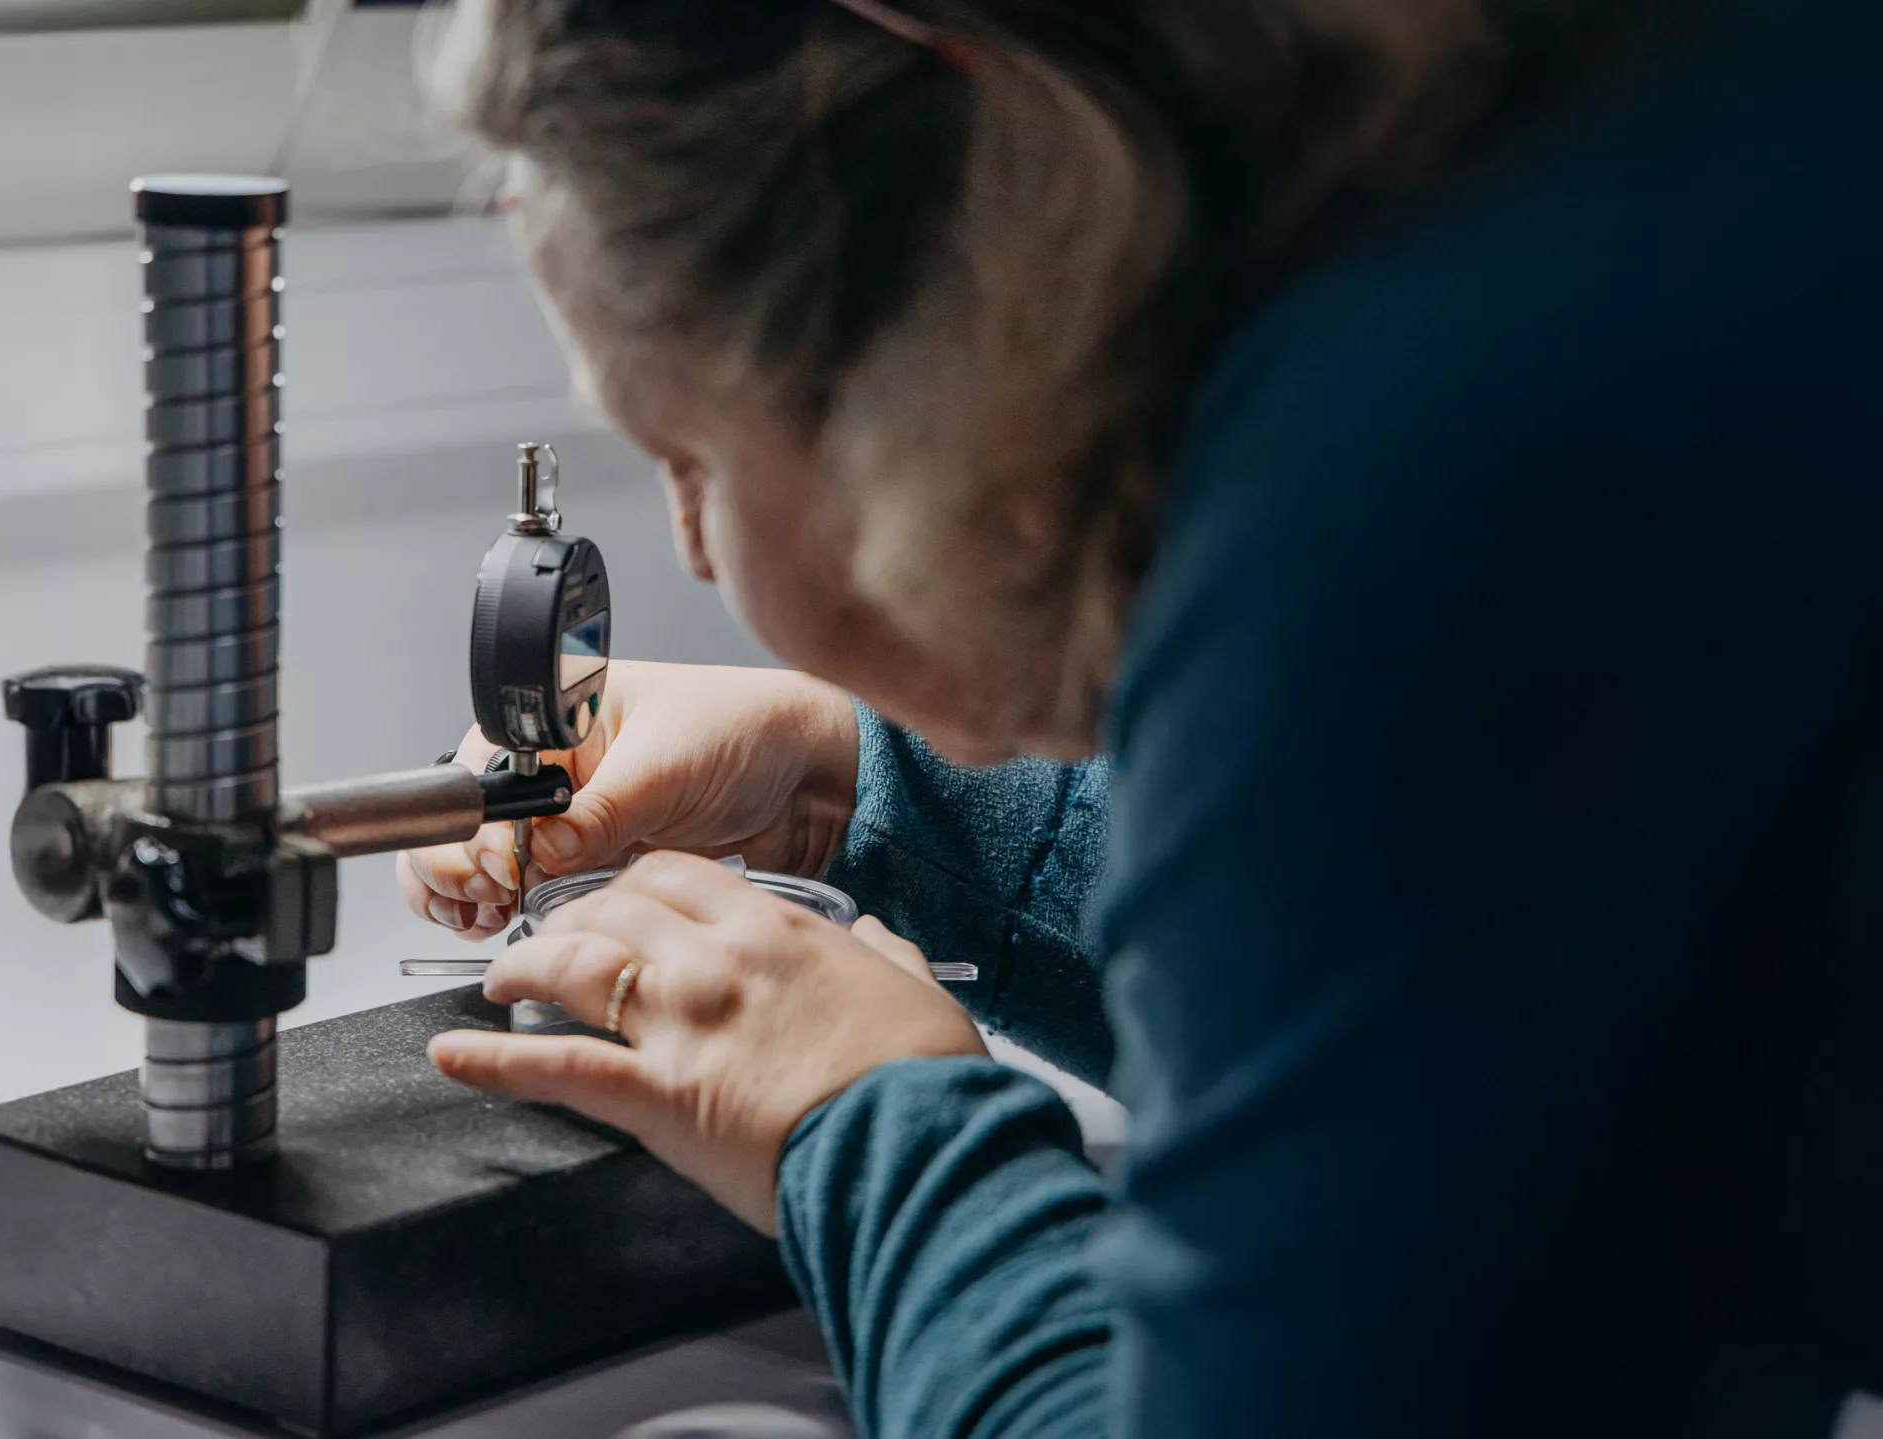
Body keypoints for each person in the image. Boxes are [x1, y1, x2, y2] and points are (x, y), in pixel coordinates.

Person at [397, 1, 1881, 1434]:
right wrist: (863, 791)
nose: (701, 555)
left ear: (940, 329)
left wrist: (860, 1122)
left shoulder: (1403, 487)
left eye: (689, 452)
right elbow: (1493, 985)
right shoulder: (1629, 162)